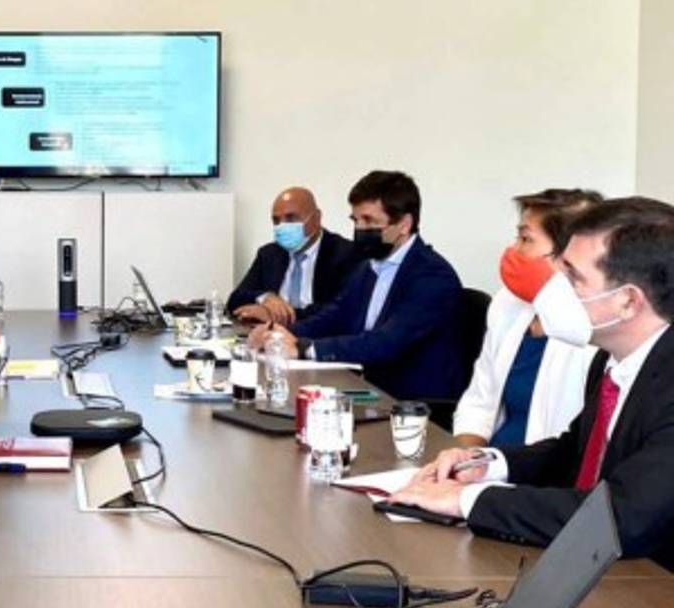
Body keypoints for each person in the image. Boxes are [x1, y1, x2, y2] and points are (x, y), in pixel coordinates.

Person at [392, 197, 674, 570]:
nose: (555, 286)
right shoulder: (612, 358)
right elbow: (574, 450)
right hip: (599, 567)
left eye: (572, 277)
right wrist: (489, 464)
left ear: (628, 301)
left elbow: (622, 516)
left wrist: (466, 500)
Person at [249, 170, 465, 401]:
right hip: (366, 386)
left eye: (369, 221)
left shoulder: (432, 276)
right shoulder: (369, 266)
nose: (360, 229)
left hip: (409, 402)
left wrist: (303, 347)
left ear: (404, 224)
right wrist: (278, 334)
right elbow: (335, 316)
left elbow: (386, 342)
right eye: (356, 220)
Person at [452, 189, 602, 448]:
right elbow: (479, 400)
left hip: (543, 465)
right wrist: (464, 456)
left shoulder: (594, 325)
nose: (514, 250)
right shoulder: (507, 302)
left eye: (526, 239)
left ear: (568, 253)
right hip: (491, 459)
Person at [228, 187, 364, 325]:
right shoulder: (269, 254)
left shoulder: (345, 254)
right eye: (276, 220)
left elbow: (337, 312)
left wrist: (275, 315)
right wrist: (265, 298)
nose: (282, 226)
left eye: (291, 218)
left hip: (318, 335)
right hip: (268, 334)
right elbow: (235, 300)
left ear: (316, 218)